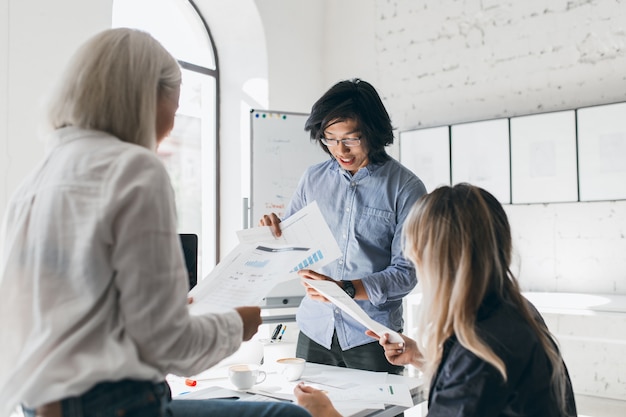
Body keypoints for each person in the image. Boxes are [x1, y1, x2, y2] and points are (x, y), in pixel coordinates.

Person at [0, 28, 310, 417]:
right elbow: (168, 347)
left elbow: (67, 311)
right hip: (116, 403)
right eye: (174, 109)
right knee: (292, 415)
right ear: (143, 99)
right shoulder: (135, 169)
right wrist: (237, 324)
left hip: (42, 402)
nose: (170, 127)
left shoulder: (39, 177)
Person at [293, 184, 578, 417]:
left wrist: (327, 414)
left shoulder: (479, 348)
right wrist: (421, 357)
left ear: (436, 259)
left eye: (413, 250)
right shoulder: (515, 312)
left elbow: (474, 382)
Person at [260, 79, 427, 374]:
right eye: (330, 139)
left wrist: (347, 289)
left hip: (373, 337)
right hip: (315, 330)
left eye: (351, 139)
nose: (340, 150)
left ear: (374, 133)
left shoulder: (406, 188)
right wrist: (273, 230)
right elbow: (293, 245)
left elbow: (407, 274)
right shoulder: (312, 179)